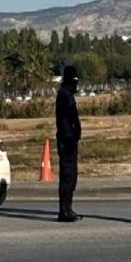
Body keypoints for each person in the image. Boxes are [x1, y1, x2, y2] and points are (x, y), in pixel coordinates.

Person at [55, 65, 82, 222]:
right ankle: (64, 210)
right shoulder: (64, 95)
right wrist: (70, 138)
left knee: (72, 176)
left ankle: (68, 208)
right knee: (67, 176)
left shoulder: (68, 94)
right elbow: (64, 120)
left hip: (70, 140)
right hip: (66, 142)